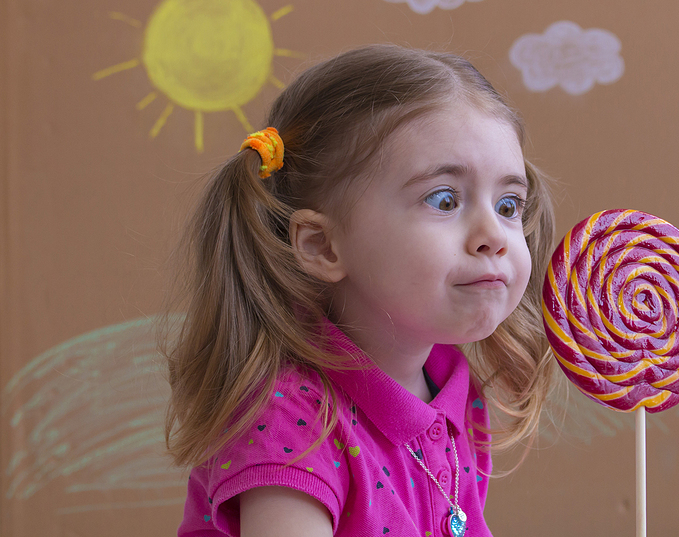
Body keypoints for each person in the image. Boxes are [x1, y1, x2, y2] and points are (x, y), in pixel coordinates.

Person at [163, 44, 556, 537]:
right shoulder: (288, 418)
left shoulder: (450, 387)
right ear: (323, 246)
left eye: (508, 204)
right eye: (444, 199)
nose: (494, 236)